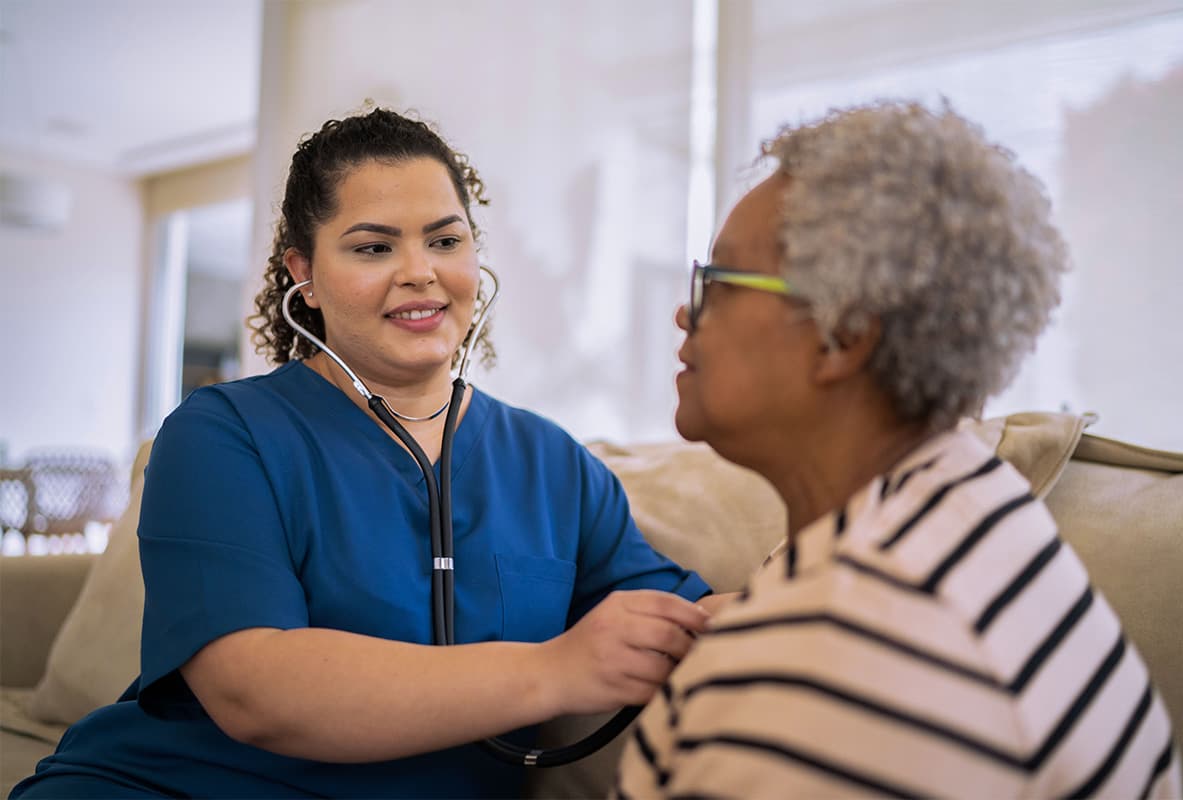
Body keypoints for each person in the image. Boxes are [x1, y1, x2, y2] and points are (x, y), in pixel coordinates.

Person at [13, 107, 721, 799]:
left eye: (445, 241)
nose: (420, 272)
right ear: (305, 276)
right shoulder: (223, 434)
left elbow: (695, 619)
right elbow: (254, 689)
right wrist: (556, 670)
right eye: (373, 247)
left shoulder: (555, 466)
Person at [614, 101, 1183, 798]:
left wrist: (774, 647)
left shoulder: (818, 677)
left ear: (843, 335)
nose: (686, 310)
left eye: (721, 283)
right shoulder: (976, 504)